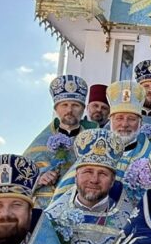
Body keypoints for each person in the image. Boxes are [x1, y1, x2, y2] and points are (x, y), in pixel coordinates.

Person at [44, 129, 134, 244]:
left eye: (103, 174)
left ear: (112, 181)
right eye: (87, 172)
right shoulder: (51, 218)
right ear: (76, 176)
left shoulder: (129, 222)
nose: (94, 180)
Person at [22, 75, 96, 208]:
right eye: (64, 105)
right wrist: (39, 179)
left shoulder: (93, 142)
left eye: (75, 105)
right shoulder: (40, 142)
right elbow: (20, 180)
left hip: (77, 208)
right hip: (41, 209)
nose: (69, 110)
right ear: (56, 109)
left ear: (83, 108)